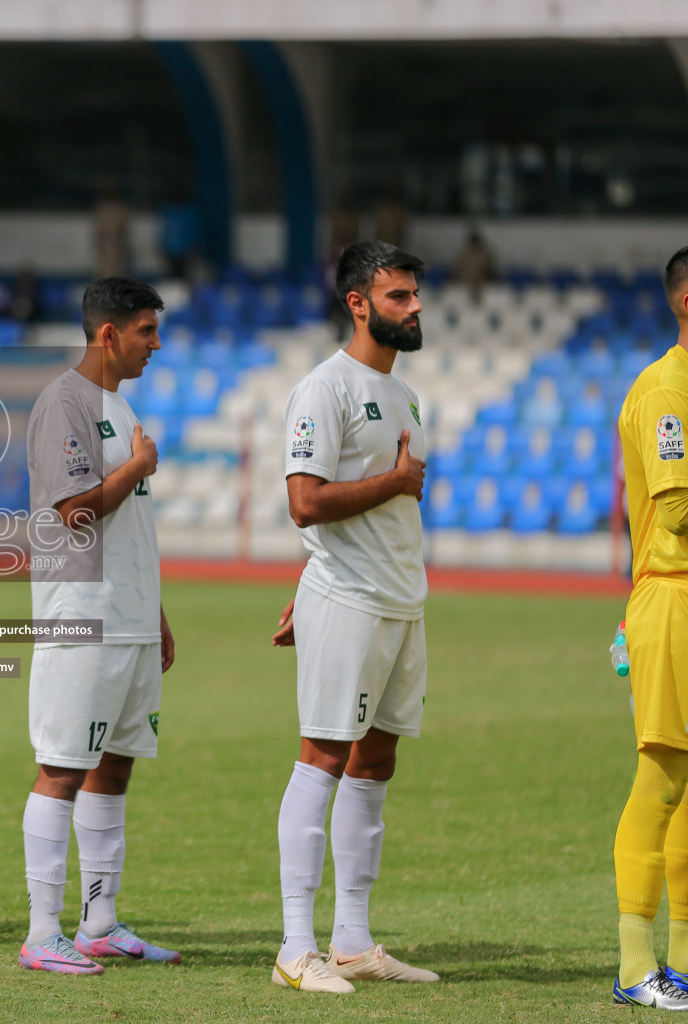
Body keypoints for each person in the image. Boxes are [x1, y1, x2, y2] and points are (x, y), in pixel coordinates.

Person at [269, 240, 438, 994]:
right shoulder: (325, 389)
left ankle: (354, 942)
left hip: (402, 600)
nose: (415, 307)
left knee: (376, 764)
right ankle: (294, 948)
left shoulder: (404, 394)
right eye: (399, 296)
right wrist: (396, 480)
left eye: (415, 295)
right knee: (324, 758)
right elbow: (305, 501)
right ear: (359, 303)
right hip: (352, 599)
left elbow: (375, 510)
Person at [17, 276, 179, 975]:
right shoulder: (64, 403)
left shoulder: (118, 402)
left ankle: (100, 922)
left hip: (130, 617)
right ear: (108, 333)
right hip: (81, 614)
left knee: (114, 770)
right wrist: (140, 464)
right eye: (146, 329)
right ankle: (40, 931)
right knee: (61, 768)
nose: (156, 342)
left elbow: (131, 524)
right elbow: (74, 511)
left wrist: (157, 614)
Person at [609, 239, 688, 1010]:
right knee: (661, 783)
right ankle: (632, 966)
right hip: (679, 598)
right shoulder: (666, 390)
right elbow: (681, 510)